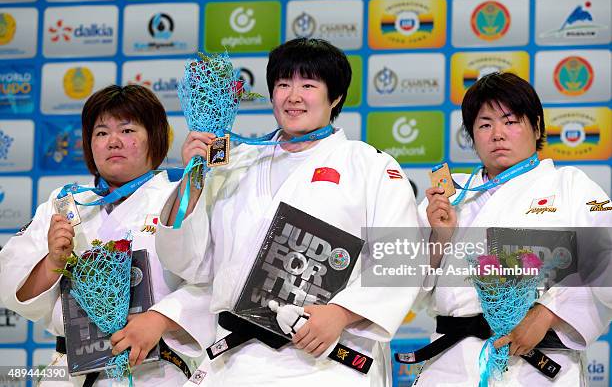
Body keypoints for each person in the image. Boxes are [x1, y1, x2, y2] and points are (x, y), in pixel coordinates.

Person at [154, 38, 421, 386]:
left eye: (308, 85)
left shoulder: (369, 166)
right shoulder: (235, 162)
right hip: (237, 363)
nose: (293, 96)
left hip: (325, 360)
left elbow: (399, 260)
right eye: (283, 84)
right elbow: (188, 262)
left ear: (336, 97)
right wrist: (195, 176)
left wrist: (340, 314)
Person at [0, 85, 215, 386]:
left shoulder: (180, 193)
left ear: (154, 137)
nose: (113, 141)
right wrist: (52, 262)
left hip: (153, 370)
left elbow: (213, 277)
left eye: (127, 131)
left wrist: (160, 318)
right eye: (101, 133)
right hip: (69, 374)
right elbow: (13, 285)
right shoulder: (65, 204)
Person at [414, 72, 612, 386]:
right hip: (452, 362)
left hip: (538, 358)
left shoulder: (570, 186)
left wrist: (549, 312)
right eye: (484, 124)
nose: (497, 134)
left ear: (536, 127)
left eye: (510, 121)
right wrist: (440, 238)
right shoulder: (451, 195)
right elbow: (404, 284)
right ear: (472, 135)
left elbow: (607, 261)